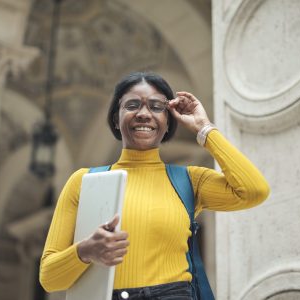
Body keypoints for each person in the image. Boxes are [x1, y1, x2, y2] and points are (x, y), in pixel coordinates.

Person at [39, 72, 270, 299]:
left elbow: (254, 190)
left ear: (168, 123)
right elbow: (49, 279)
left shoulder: (190, 181)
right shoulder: (83, 182)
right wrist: (85, 251)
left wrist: (204, 129)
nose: (143, 114)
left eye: (156, 107)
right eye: (132, 105)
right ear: (115, 120)